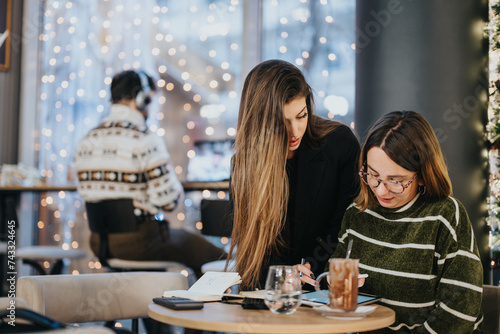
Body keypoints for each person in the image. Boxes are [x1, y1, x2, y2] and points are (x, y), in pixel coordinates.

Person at [300, 110, 485, 333]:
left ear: (422, 174)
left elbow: (459, 310)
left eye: (396, 181)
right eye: (373, 176)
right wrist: (332, 285)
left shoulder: (446, 217)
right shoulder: (357, 215)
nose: (381, 190)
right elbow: (338, 296)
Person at [74, 70, 226, 279]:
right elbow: (170, 201)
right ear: (141, 98)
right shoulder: (144, 139)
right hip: (139, 242)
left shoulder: (87, 139)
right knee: (216, 258)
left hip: (99, 242)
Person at [228, 59, 360, 290]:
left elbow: (345, 227)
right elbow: (253, 252)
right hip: (268, 291)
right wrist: (283, 275)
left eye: (302, 116)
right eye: (282, 122)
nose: (295, 131)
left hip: (324, 286)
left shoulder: (339, 144)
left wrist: (310, 268)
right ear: (261, 123)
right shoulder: (244, 163)